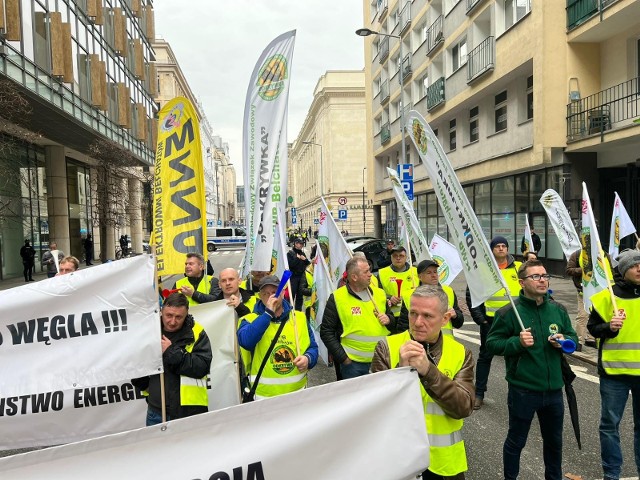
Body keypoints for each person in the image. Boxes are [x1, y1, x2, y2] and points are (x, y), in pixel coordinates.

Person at [371, 285, 475, 480]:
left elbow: (463, 407)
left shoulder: (461, 353)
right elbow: (377, 411)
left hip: (444, 464)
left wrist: (429, 372)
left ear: (445, 319)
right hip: (400, 458)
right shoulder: (387, 347)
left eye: (427, 316)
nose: (418, 322)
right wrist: (400, 372)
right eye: (413, 313)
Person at [487, 259, 577, 480]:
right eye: (535, 277)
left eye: (545, 276)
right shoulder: (509, 312)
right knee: (516, 441)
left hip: (554, 389)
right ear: (522, 282)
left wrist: (564, 339)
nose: (542, 280)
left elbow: (573, 338)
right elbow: (492, 344)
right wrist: (517, 342)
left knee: (554, 443)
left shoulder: (558, 309)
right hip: (523, 390)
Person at [588, 249, 640, 480]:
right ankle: (611, 474)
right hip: (613, 373)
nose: (639, 269)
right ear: (623, 269)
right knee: (610, 426)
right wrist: (609, 327)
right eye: (634, 265)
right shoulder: (605, 296)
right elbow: (592, 330)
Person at [132, 292, 212, 425]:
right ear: (162, 310)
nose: (172, 321)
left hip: (189, 412)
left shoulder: (196, 332)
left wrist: (171, 351)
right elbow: (137, 366)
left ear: (186, 314)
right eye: (169, 315)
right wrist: (151, 389)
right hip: (157, 411)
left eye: (178, 317)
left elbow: (202, 367)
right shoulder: (149, 331)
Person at [237, 275, 318, 400]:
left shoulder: (299, 318)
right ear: (260, 296)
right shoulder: (248, 319)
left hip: (297, 392)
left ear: (283, 293)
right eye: (266, 294)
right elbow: (246, 341)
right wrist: (268, 314)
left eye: (275, 292)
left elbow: (312, 347)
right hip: (264, 395)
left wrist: (308, 359)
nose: (271, 297)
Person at [466, 235, 521, 410]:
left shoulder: (519, 267)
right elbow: (472, 294)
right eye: (497, 246)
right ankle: (479, 393)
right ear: (492, 250)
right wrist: (480, 318)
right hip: (491, 321)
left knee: (515, 356)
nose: (501, 248)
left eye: (504, 245)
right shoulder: (484, 270)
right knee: (485, 356)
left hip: (516, 320)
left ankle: (517, 393)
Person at [320, 256, 396, 379]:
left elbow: (393, 324)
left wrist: (389, 319)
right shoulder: (337, 298)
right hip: (353, 366)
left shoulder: (380, 294)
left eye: (370, 270)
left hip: (380, 361)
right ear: (354, 277)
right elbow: (326, 331)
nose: (370, 275)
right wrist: (343, 359)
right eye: (366, 272)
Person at [397, 259, 464, 334]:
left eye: (435, 272)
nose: (433, 275)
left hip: (445, 343)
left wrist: (456, 315)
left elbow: (459, 323)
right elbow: (403, 326)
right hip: (419, 343)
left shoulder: (448, 291)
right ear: (420, 276)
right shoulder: (409, 295)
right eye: (429, 273)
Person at [566, 248, 596, 350]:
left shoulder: (600, 252)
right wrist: (583, 270)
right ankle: (579, 340)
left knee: (596, 315)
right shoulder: (577, 254)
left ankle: (591, 338)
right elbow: (569, 270)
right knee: (583, 315)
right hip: (583, 291)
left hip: (598, 291)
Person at [377, 245, 418, 317]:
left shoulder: (416, 272)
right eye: (395, 256)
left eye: (401, 256)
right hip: (392, 317)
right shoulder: (382, 273)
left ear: (406, 257)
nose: (398, 258)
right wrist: (389, 298)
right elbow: (376, 293)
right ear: (391, 258)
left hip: (414, 315)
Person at [286, 237, 311, 311]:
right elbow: (290, 265)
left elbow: (308, 264)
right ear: (295, 244)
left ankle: (298, 311)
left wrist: (305, 259)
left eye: (302, 244)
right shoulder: (290, 253)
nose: (301, 245)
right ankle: (289, 311)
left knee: (300, 296)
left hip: (302, 277)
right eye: (300, 244)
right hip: (293, 277)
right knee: (291, 296)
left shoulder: (302, 253)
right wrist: (297, 258)